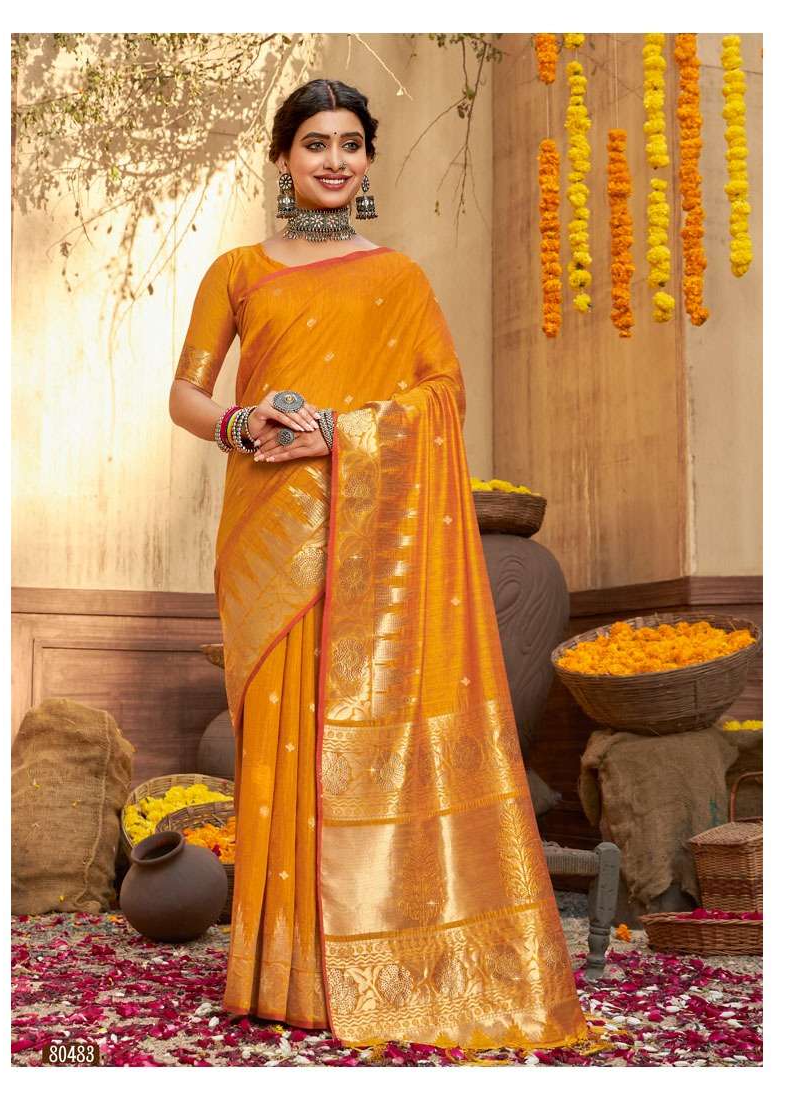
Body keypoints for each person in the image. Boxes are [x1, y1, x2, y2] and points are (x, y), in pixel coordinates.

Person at [169, 77, 611, 1058]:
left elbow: (441, 395)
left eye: (350, 144)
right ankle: (284, 970)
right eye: (314, 143)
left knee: (358, 737)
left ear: (366, 160)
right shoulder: (237, 270)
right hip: (269, 532)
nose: (333, 160)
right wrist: (243, 420)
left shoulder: (399, 278)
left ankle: (376, 955)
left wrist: (342, 431)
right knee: (280, 741)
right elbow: (186, 395)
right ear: (282, 158)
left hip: (375, 539)